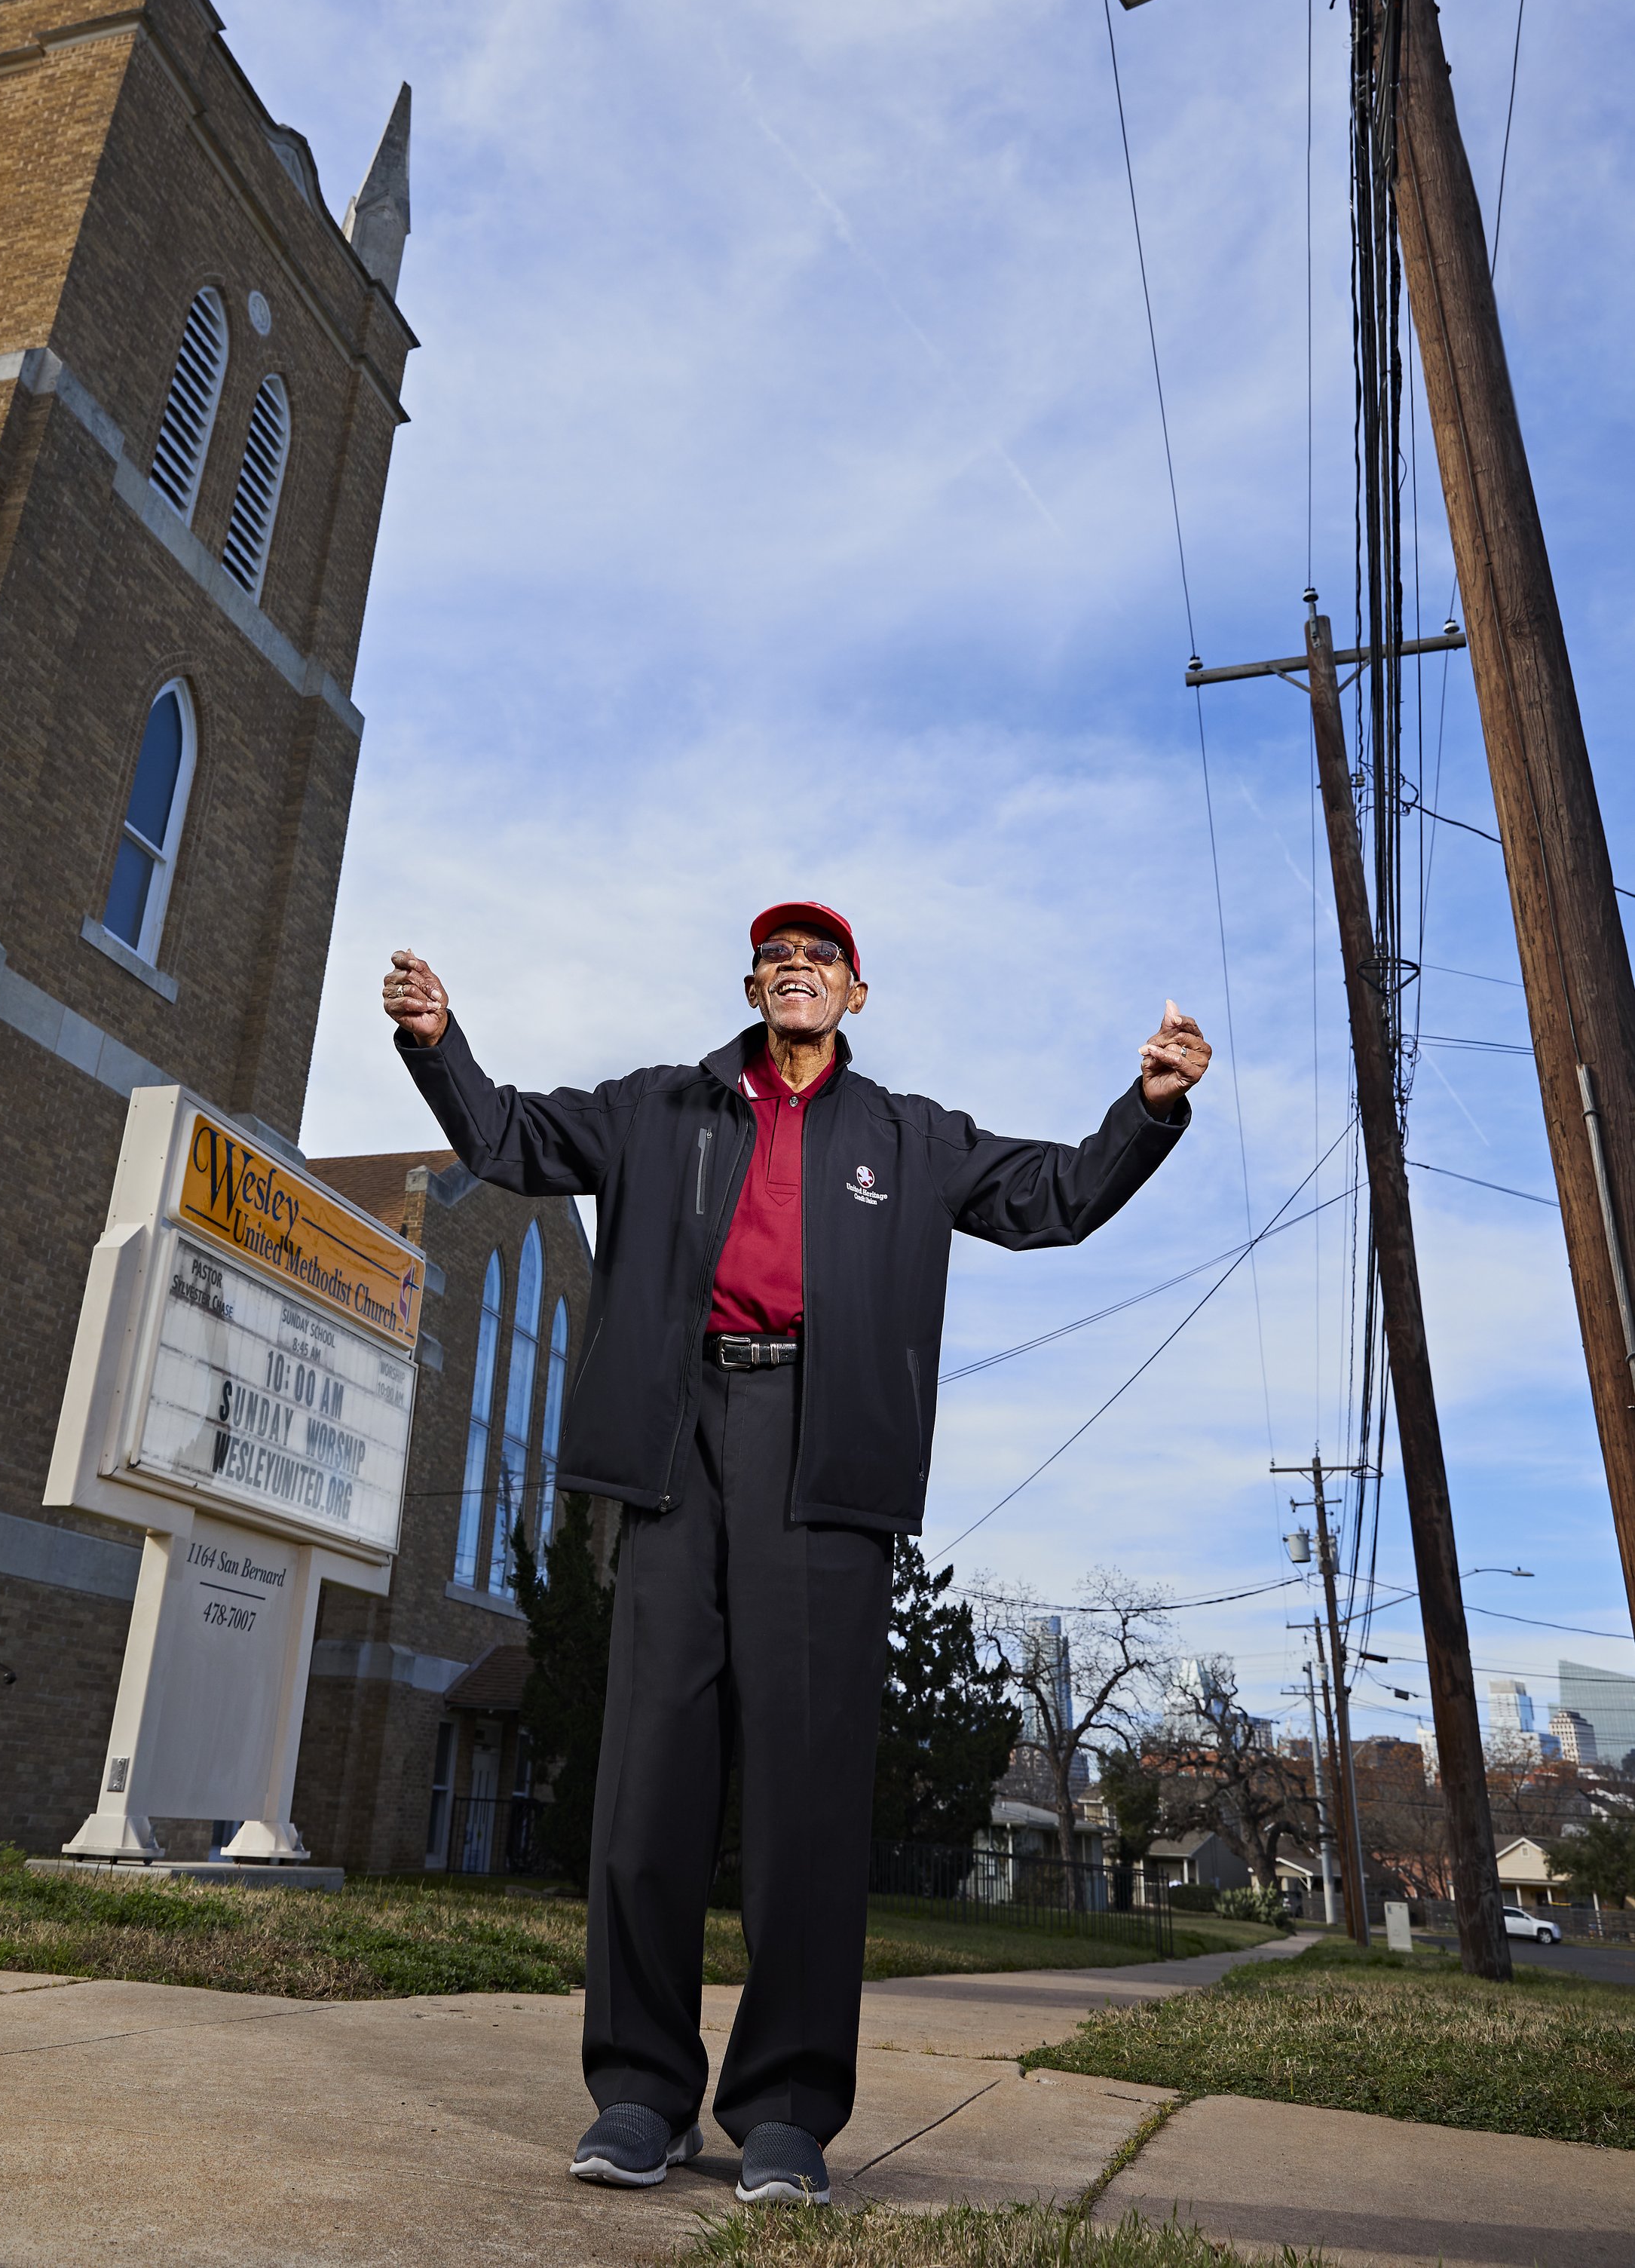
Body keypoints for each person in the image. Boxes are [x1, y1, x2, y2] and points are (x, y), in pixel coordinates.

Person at [383, 904, 1209, 2207]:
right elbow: (512, 1137)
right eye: (778, 953)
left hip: (824, 1460)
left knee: (806, 1795)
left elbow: (1053, 1199)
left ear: (857, 992)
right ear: (753, 983)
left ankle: (784, 2110)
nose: (798, 968)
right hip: (676, 1443)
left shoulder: (909, 1137)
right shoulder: (663, 1107)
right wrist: (439, 1044)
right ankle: (642, 2096)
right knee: (650, 1777)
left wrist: (1146, 1110)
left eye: (821, 956)